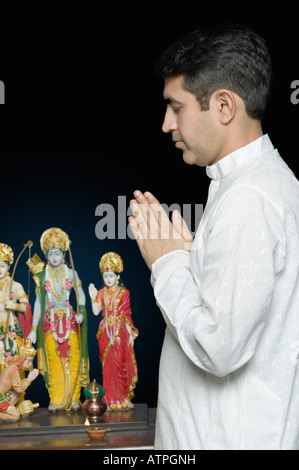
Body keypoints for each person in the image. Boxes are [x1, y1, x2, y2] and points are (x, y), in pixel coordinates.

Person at [128, 24, 299, 450]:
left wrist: (167, 264)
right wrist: (188, 259)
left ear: (223, 105)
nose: (166, 123)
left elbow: (219, 348)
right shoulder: (243, 185)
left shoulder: (251, 196)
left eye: (175, 105)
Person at [27, 227, 89, 412]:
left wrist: (81, 313)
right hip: (49, 320)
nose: (54, 257)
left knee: (73, 357)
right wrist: (32, 327)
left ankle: (75, 398)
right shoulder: (41, 275)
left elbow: (81, 296)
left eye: (58, 253)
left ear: (64, 254)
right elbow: (38, 302)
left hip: (69, 319)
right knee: (53, 361)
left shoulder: (71, 273)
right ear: (46, 255)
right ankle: (56, 399)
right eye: (51, 253)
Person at [89, 252, 138, 410]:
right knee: (107, 367)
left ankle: (123, 398)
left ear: (117, 277)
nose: (108, 279)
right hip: (104, 331)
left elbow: (126, 314)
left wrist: (130, 334)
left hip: (119, 331)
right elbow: (96, 312)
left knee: (120, 364)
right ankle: (109, 399)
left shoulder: (124, 293)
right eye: (105, 276)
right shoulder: (100, 293)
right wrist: (92, 296)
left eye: (111, 275)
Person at [0, 243, 32, 374]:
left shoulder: (15, 285)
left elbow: (27, 306)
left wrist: (14, 306)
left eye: (2, 266)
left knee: (11, 365)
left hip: (11, 329)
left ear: (8, 266)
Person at [0, 339, 39, 421]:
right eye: (28, 362)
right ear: (22, 359)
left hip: (4, 396)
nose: (29, 365)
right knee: (16, 416)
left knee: (17, 394)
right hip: (1, 399)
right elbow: (19, 389)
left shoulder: (11, 366)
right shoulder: (13, 370)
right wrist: (29, 379)